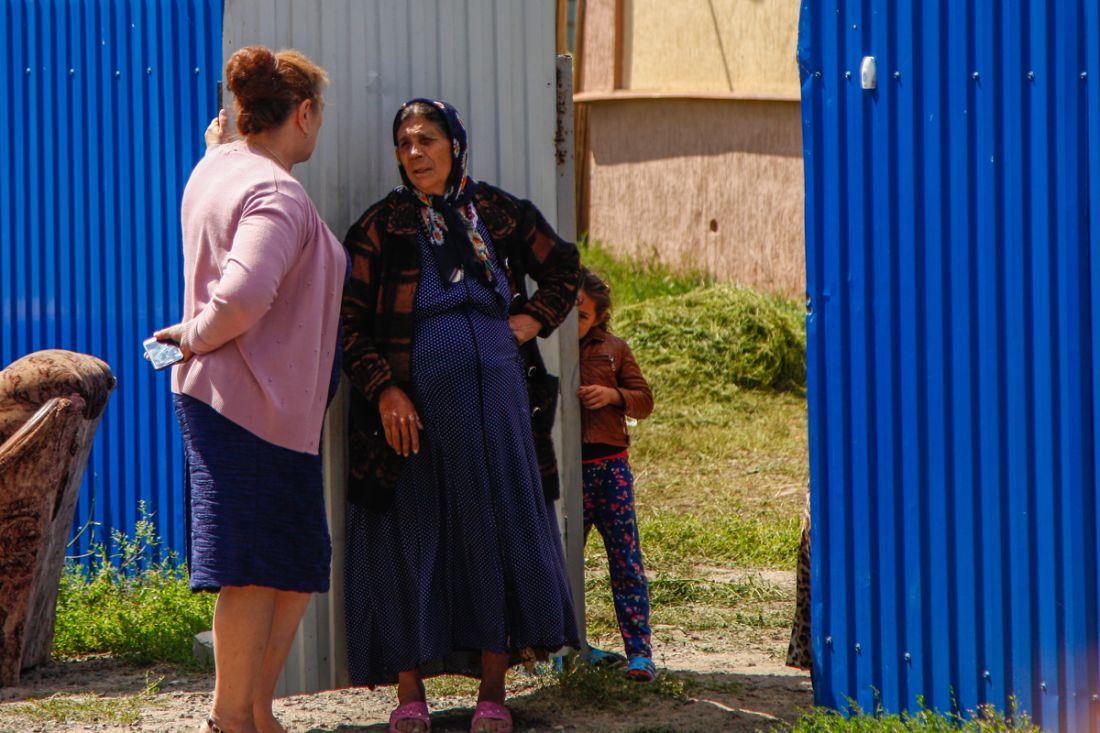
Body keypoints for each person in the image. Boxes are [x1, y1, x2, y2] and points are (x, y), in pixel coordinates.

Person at [341, 98, 580, 733]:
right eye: (403, 144)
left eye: (425, 140)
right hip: (411, 416)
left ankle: (493, 694)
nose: (414, 153)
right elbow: (348, 323)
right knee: (411, 537)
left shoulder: (497, 212)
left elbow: (564, 266)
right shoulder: (381, 227)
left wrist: (529, 321)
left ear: (455, 144)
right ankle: (409, 694)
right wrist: (386, 392)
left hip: (496, 407)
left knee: (492, 528)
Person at [152, 46, 345, 733]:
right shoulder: (275, 192)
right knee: (252, 565)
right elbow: (242, 295)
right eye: (318, 113)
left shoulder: (217, 166)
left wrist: (222, 138)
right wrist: (197, 333)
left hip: (269, 407)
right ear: (302, 113)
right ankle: (233, 717)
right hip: (248, 405)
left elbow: (222, 155)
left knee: (288, 563)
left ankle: (255, 712)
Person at [575, 267, 656, 682]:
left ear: (600, 317)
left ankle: (639, 653)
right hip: (569, 475)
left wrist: (612, 396)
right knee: (563, 564)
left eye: (583, 315)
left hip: (611, 470)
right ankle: (567, 648)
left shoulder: (615, 349)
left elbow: (644, 401)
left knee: (625, 561)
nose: (575, 323)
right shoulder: (550, 350)